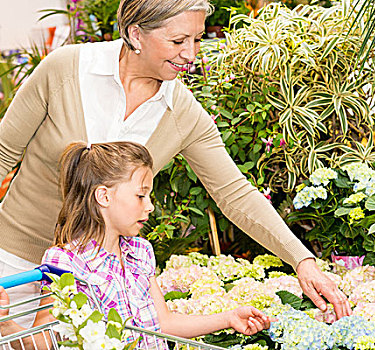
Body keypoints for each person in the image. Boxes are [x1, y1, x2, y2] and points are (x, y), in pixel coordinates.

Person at [0, 0, 350, 325]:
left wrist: (301, 260)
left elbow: (234, 193)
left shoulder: (182, 112)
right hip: (12, 262)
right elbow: (3, 154)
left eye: (197, 39)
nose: (191, 54)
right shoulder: (66, 70)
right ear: (136, 34)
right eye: (178, 40)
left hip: (95, 284)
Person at [0, 141, 271, 349]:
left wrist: (228, 318)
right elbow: (44, 341)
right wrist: (6, 322)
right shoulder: (65, 262)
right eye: (141, 196)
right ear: (104, 196)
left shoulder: (140, 253)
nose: (150, 206)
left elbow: (162, 323)